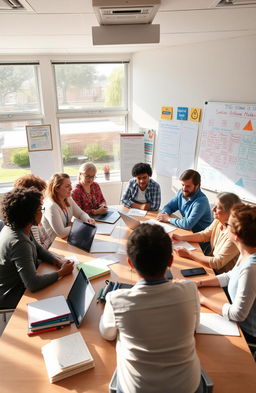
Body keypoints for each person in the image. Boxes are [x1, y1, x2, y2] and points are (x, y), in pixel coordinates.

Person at [99, 224, 202, 393]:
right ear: (170, 260)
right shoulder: (190, 290)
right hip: (187, 387)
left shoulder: (116, 300)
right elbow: (195, 326)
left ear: (130, 263)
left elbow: (107, 334)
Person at [0, 187, 74, 309]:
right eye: (40, 209)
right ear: (29, 214)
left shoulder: (18, 227)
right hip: (13, 295)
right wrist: (61, 273)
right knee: (62, 296)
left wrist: (56, 261)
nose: (42, 212)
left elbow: (38, 249)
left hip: (20, 285)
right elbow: (33, 284)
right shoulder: (19, 242)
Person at [197, 203, 256, 345]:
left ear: (236, 236)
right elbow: (230, 276)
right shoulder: (246, 253)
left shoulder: (251, 267)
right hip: (232, 317)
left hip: (245, 333)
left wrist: (203, 299)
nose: (224, 226)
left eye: (227, 224)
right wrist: (200, 283)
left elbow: (238, 315)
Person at [172, 192, 241, 273]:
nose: (213, 209)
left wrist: (188, 254)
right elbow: (204, 235)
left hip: (221, 276)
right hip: (210, 267)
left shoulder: (234, 235)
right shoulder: (218, 221)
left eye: (218, 207)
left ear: (229, 212)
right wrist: (181, 238)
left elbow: (217, 263)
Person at [42, 173, 95, 244]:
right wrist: (81, 225)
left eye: (70, 185)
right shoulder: (51, 206)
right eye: (67, 186)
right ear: (56, 188)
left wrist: (88, 220)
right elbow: (61, 233)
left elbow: (81, 214)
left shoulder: (67, 198)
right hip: (55, 245)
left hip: (68, 238)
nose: (71, 188)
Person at [14, 174, 52, 249]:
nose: (43, 197)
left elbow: (47, 241)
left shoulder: (35, 213)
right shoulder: (29, 220)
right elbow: (39, 249)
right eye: (40, 193)